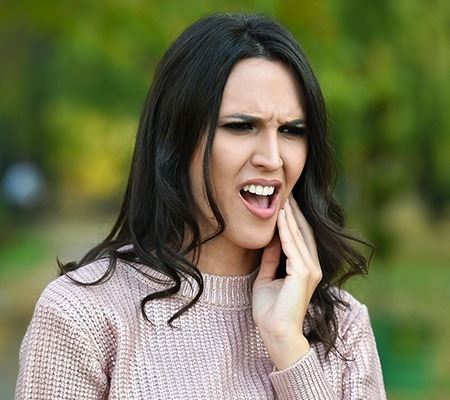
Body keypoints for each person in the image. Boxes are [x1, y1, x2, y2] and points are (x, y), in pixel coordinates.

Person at [15, 13, 386, 399]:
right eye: (241, 126)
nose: (273, 158)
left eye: (292, 131)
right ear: (177, 140)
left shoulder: (343, 328)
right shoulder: (83, 316)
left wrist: (288, 348)